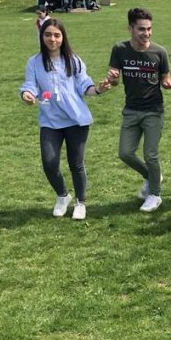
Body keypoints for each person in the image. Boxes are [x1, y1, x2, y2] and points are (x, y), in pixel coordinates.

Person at [20, 19, 107, 219]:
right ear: (42, 37)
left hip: (76, 120)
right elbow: (30, 85)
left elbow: (85, 85)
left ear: (63, 37)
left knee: (76, 164)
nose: (52, 39)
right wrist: (27, 94)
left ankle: (80, 202)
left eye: (57, 35)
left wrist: (99, 89)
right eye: (48, 34)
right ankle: (62, 196)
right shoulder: (34, 62)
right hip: (50, 121)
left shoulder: (73, 60)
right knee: (49, 163)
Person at [100, 8, 171, 213]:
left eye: (149, 29)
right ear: (130, 28)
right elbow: (115, 81)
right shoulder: (119, 49)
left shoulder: (159, 52)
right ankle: (152, 176)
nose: (147, 33)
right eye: (141, 29)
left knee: (151, 155)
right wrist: (113, 79)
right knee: (125, 153)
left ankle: (155, 195)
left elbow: (165, 79)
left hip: (153, 110)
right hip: (131, 110)